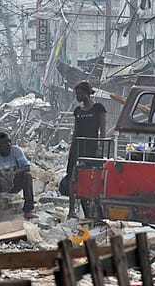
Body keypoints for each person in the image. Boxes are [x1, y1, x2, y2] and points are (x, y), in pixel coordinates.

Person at [67, 81, 106, 219]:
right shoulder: (78, 111)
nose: (77, 96)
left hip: (92, 148)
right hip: (78, 148)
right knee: (73, 178)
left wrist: (100, 147)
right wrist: (71, 150)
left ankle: (92, 212)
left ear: (86, 93)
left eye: (79, 93)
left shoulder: (98, 108)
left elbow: (103, 130)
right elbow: (75, 131)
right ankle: (71, 210)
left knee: (90, 178)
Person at [0, 131, 37, 222]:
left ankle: (28, 209)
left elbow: (27, 167)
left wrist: (14, 173)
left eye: (9, 142)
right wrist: (0, 179)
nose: (8, 145)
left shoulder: (16, 151)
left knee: (27, 176)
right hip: (0, 185)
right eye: (5, 143)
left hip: (15, 183)